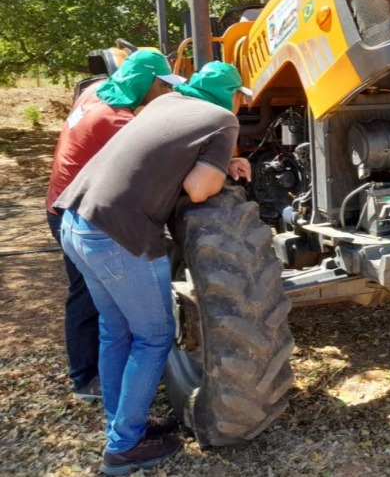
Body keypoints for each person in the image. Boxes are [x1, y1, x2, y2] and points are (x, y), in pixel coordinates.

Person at [54, 61, 252, 475]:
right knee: (154, 337)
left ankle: (121, 425)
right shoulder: (223, 119)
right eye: (239, 97)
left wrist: (215, 162)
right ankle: (124, 448)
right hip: (117, 237)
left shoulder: (166, 102)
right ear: (232, 96)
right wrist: (223, 166)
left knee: (116, 330)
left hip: (75, 220)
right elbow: (200, 188)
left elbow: (159, 157)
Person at [45, 49, 185, 400]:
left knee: (101, 303)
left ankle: (110, 379)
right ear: (145, 82)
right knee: (87, 297)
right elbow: (162, 161)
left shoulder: (98, 91)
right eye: (162, 85)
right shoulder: (116, 123)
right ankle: (85, 377)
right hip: (76, 211)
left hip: (65, 200)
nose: (166, 92)